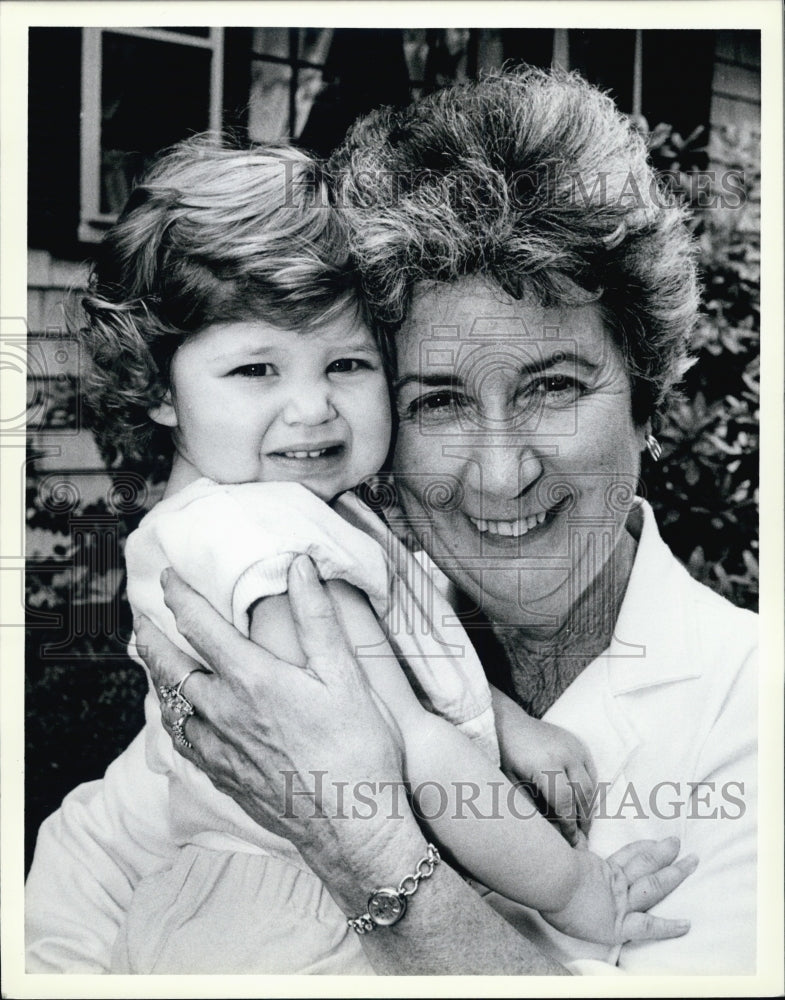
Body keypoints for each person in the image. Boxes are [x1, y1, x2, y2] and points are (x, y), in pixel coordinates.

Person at [27, 67, 757, 975]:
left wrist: (367, 848)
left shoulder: (750, 711)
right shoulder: (277, 580)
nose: (502, 471)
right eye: (439, 401)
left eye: (553, 387)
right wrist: (572, 887)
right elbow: (86, 874)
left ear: (646, 405)